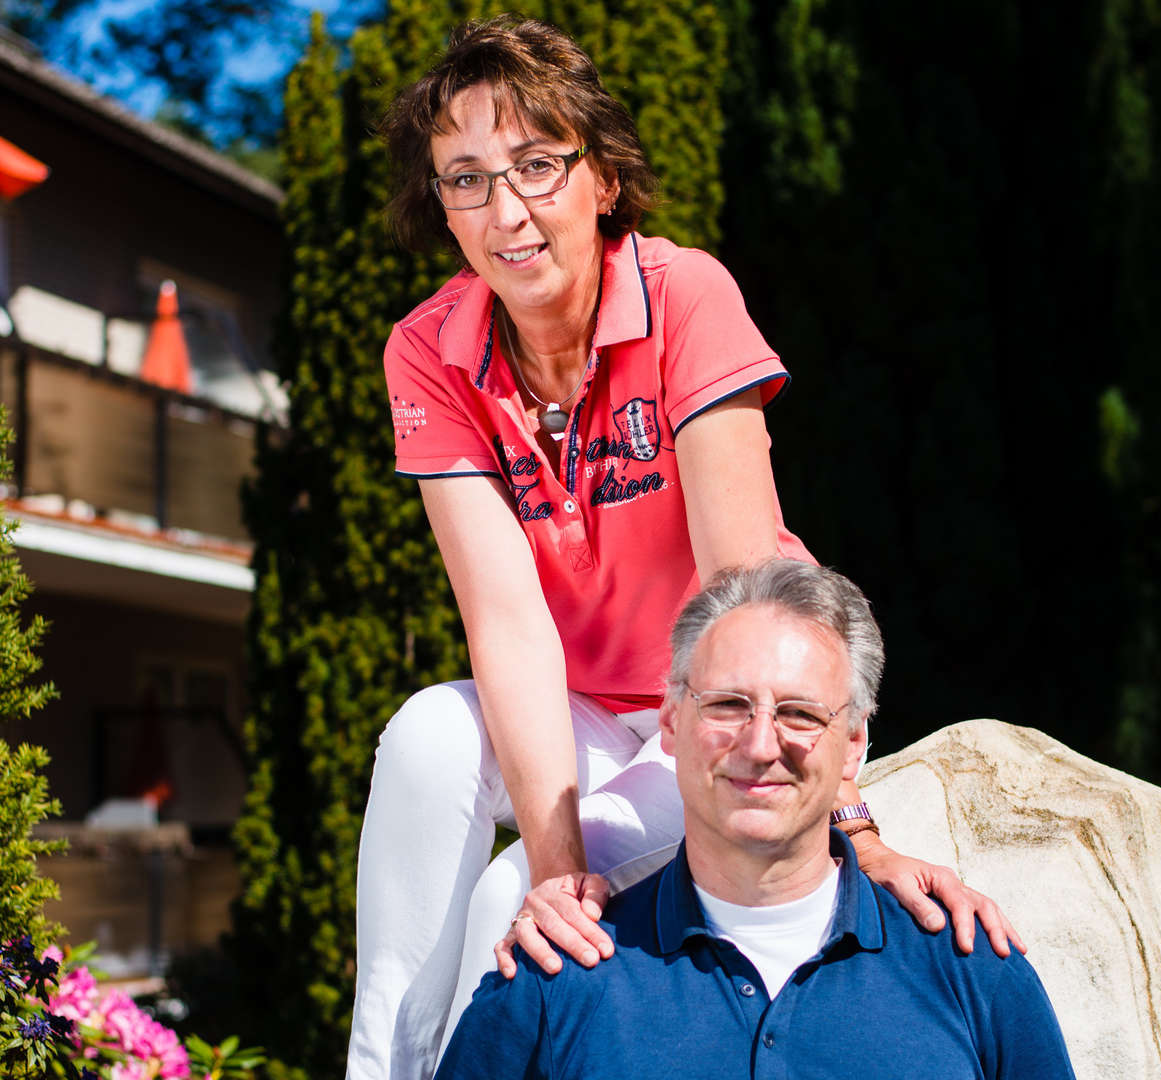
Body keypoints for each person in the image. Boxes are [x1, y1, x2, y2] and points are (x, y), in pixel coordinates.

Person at [352, 16, 1023, 1080]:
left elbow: (743, 595)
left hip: (700, 705)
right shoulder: (429, 348)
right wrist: (564, 869)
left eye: (536, 165)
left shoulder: (683, 296)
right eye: (466, 179)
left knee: (503, 896)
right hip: (573, 709)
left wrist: (855, 824)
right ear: (440, 203)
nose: (506, 211)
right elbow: (508, 621)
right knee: (430, 737)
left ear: (603, 178)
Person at [435, 560, 1077, 1080]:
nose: (762, 744)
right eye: (727, 705)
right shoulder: (554, 985)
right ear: (671, 721)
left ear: (854, 741)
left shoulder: (973, 973)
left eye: (800, 713)